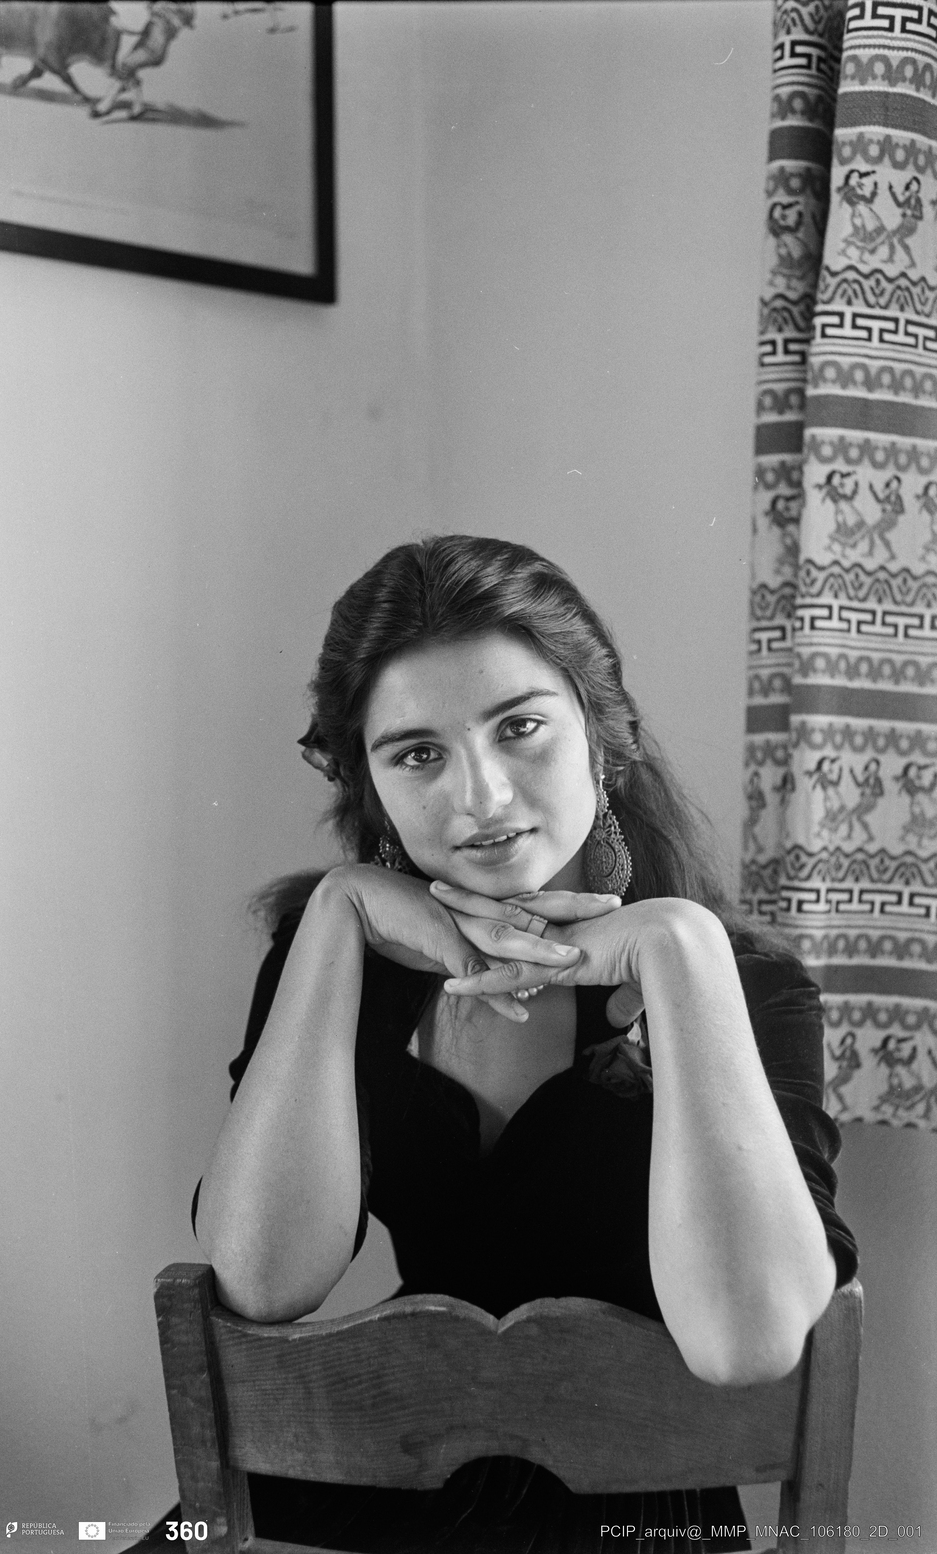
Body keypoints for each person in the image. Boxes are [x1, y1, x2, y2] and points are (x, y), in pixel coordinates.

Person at [192, 534, 858, 1554]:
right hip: (370, 1483)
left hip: (634, 1519)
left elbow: (749, 1342)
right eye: (417, 754)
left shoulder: (742, 983)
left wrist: (678, 952)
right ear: (370, 786)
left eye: (520, 729)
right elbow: (261, 1281)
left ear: (602, 736)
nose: (482, 798)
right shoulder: (336, 964)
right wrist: (332, 919)